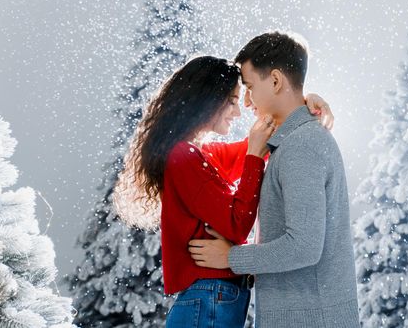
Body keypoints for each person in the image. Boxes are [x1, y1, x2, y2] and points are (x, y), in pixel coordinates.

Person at [114, 55, 333, 328]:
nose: (238, 111)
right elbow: (237, 225)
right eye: (231, 101)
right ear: (206, 100)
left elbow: (259, 141)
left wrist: (302, 103)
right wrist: (254, 154)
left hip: (212, 299)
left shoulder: (198, 155)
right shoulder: (183, 157)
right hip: (209, 300)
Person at [188, 32, 361, 328]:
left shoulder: (301, 145)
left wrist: (231, 257)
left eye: (250, 87)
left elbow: (304, 246)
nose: (246, 100)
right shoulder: (293, 141)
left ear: (277, 81)